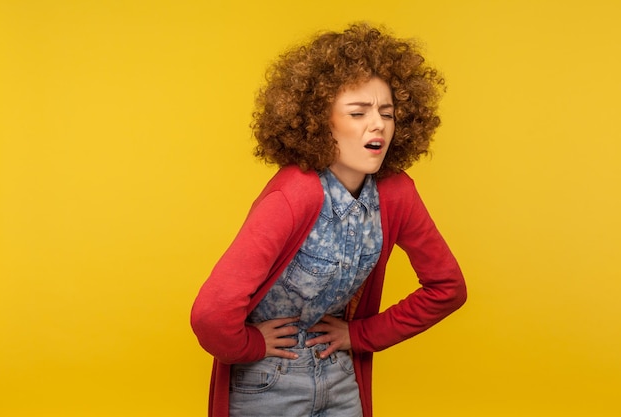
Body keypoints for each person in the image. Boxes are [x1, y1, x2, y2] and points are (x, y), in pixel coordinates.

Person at [191, 23, 467, 417]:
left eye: (387, 113)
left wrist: (360, 335)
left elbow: (447, 288)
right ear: (320, 121)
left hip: (339, 374)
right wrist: (250, 347)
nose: (378, 125)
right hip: (268, 380)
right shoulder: (294, 194)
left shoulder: (395, 192)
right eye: (358, 112)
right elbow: (211, 315)